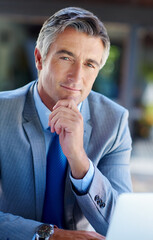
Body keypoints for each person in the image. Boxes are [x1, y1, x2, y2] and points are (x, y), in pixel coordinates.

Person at [0, 6, 132, 240]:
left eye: (90, 64)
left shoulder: (114, 122)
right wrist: (52, 236)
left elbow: (122, 225)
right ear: (40, 59)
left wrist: (79, 160)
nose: (76, 76)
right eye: (66, 57)